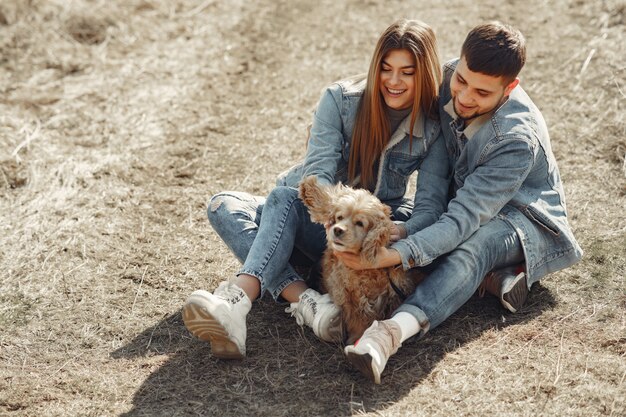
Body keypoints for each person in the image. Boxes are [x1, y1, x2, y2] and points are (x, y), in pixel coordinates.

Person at [181, 19, 450, 359]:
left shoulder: (433, 126)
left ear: (423, 73)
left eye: (407, 72)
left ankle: (244, 295)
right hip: (320, 221)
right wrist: (334, 220)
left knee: (279, 202)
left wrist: (388, 232)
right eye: (386, 69)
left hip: (366, 232)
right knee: (226, 205)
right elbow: (317, 175)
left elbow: (430, 207)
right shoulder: (340, 100)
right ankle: (308, 304)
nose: (393, 81)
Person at [338, 21, 583, 384]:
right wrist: (406, 230)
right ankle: (492, 280)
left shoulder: (516, 139)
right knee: (422, 229)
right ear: (460, 62)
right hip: (466, 201)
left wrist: (395, 254)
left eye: (482, 93)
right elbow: (434, 182)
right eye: (462, 81)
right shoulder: (449, 77)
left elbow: (461, 221)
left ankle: (388, 334)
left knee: (471, 245)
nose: (465, 97)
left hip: (524, 219)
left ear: (510, 87)